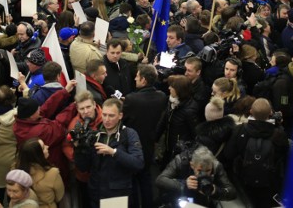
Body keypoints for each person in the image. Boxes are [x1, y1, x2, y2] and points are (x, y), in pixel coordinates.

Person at [74, 98, 144, 208]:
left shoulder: (129, 134)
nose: (106, 119)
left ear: (120, 115)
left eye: (111, 116)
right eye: (104, 115)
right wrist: (79, 148)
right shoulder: (94, 134)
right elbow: (83, 167)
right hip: (96, 193)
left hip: (118, 195)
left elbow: (138, 163)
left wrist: (114, 152)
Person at [223, 98, 289, 208]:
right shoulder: (279, 134)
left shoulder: (239, 130)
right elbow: (285, 160)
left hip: (243, 183)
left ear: (251, 111)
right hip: (269, 185)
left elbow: (228, 154)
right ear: (270, 113)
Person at [123, 64, 168, 208]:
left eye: (137, 76)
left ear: (143, 80)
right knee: (146, 177)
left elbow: (125, 120)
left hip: (132, 145)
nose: (135, 78)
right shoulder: (162, 97)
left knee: (133, 179)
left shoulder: (131, 99)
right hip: (149, 143)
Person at [156, 145, 236, 207]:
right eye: (200, 170)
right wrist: (183, 184)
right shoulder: (181, 161)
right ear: (192, 165)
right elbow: (160, 180)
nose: (204, 174)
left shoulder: (216, 165)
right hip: (181, 198)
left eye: (208, 170)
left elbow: (232, 192)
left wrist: (215, 191)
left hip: (204, 201)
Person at [157, 75, 201, 168]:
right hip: (169, 146)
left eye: (171, 87)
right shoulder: (171, 101)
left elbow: (195, 134)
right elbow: (164, 120)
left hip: (180, 151)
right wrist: (155, 137)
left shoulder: (189, 110)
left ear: (179, 90)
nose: (169, 88)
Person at [18, 138, 65, 208]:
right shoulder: (53, 173)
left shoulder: (17, 171)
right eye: (43, 148)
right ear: (37, 155)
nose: (47, 147)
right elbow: (59, 197)